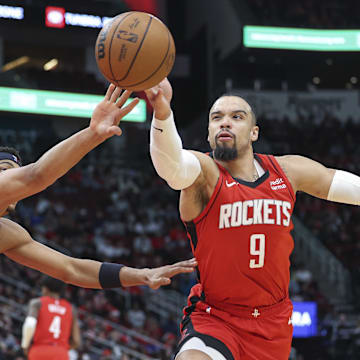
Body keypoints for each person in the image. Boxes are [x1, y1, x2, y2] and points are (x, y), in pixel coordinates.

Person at [145, 78, 360, 360]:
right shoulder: (203, 175)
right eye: (217, 118)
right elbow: (171, 167)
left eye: (237, 117)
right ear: (209, 133)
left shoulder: (287, 171)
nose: (225, 123)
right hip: (217, 318)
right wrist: (162, 113)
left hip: (273, 322)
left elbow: (336, 182)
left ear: (254, 132)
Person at [0, 84, 197, 293]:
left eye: (12, 171)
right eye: (3, 170)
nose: (9, 177)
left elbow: (72, 269)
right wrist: (93, 134)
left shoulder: (8, 234)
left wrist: (142, 274)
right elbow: (36, 175)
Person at [21, 276, 81, 360]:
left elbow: (30, 323)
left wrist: (25, 345)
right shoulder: (71, 309)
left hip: (39, 350)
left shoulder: (37, 303)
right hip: (61, 352)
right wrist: (61, 349)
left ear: (45, 288)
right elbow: (76, 341)